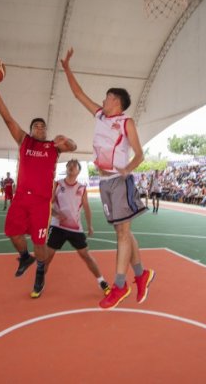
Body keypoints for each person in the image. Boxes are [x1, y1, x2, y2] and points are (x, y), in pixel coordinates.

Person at [62, 47, 154, 310]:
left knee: (122, 232)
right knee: (122, 230)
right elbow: (79, 94)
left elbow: (140, 154)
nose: (103, 99)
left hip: (119, 180)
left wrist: (128, 168)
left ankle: (120, 285)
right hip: (103, 181)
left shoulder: (127, 122)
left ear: (117, 102)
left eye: (108, 97)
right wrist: (67, 68)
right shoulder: (100, 115)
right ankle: (141, 274)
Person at [0, 76, 76, 298]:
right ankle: (25, 258)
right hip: (21, 199)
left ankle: (40, 274)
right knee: (12, 233)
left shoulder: (54, 147)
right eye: (36, 126)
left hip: (41, 202)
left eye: (43, 126)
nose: (40, 128)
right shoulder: (24, 141)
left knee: (39, 242)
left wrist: (68, 140)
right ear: (31, 130)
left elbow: (73, 146)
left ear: (46, 131)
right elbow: (6, 118)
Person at [45, 159, 111, 296]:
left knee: (86, 256)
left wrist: (90, 225)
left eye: (74, 165)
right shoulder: (57, 184)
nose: (71, 166)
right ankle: (39, 282)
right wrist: (56, 213)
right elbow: (48, 203)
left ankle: (102, 281)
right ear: (67, 168)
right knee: (48, 257)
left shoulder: (82, 188)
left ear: (78, 171)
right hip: (57, 226)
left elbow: (86, 207)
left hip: (75, 228)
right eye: (69, 164)